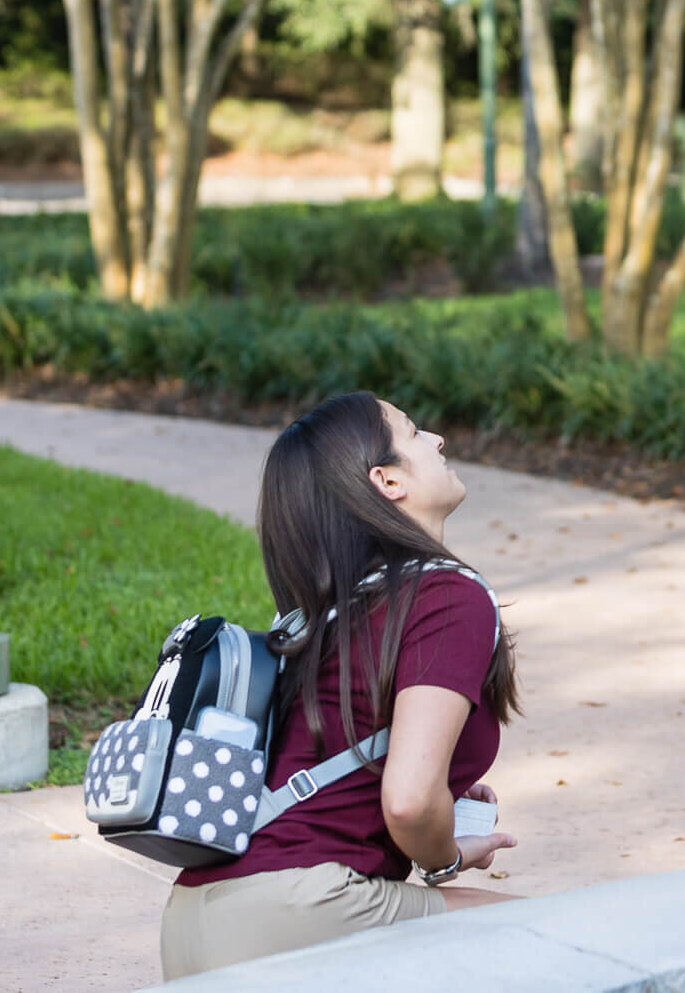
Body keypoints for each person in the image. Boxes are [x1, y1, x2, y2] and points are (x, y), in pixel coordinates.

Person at [159, 392, 520, 978]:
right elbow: (406, 802)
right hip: (301, 910)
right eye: (414, 432)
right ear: (387, 480)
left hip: (193, 918)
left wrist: (442, 798)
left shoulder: (324, 614)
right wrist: (444, 857)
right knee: (562, 945)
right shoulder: (448, 596)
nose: (437, 442)